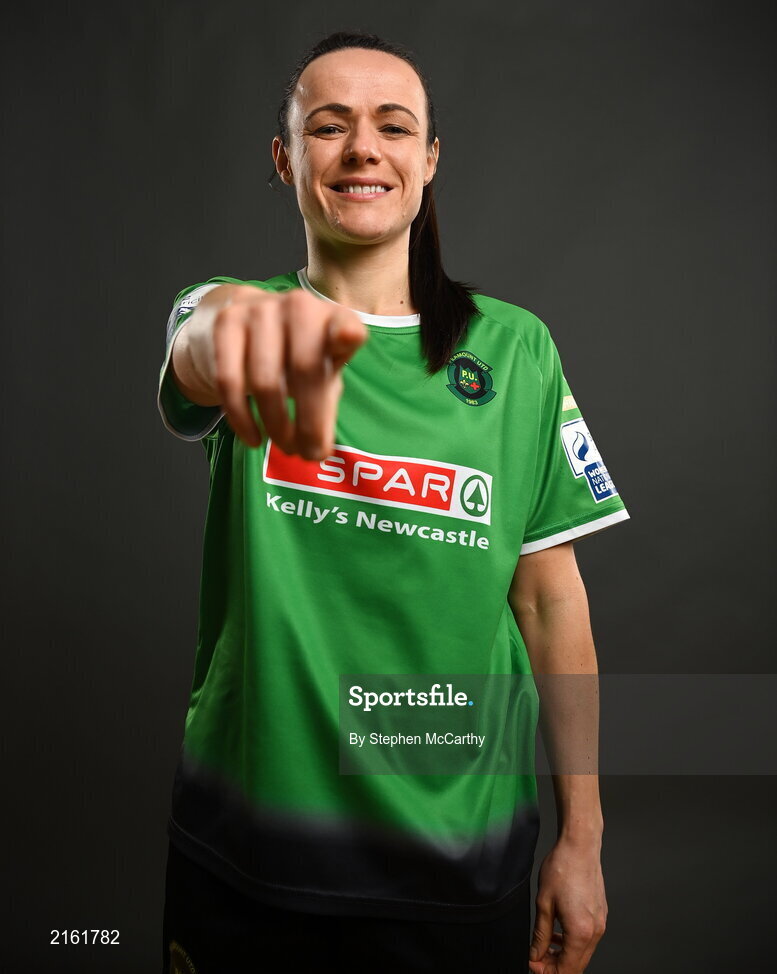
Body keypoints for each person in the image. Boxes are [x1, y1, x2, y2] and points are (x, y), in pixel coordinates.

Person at [157, 30, 629, 974]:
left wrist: (584, 838)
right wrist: (227, 330)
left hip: (457, 852)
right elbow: (198, 339)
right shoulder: (238, 308)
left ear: (428, 160)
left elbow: (548, 601)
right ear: (287, 159)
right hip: (251, 843)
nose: (362, 148)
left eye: (392, 127)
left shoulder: (515, 350)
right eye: (327, 127)